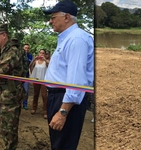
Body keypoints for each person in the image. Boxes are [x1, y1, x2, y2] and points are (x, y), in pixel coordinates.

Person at [43, 1, 94, 149]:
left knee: (63, 145)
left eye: (53, 17)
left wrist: (63, 112)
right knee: (57, 142)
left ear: (66, 17)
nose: (50, 21)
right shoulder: (67, 38)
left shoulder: (76, 39)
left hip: (66, 100)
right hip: (58, 97)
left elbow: (76, 81)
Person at [29, 49, 49, 118]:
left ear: (45, 54)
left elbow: (50, 66)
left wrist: (45, 60)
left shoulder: (46, 62)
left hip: (44, 80)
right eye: (40, 53)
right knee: (35, 94)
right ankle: (34, 108)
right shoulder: (36, 61)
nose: (41, 54)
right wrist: (34, 59)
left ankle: (45, 111)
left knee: (44, 96)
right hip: (36, 80)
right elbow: (30, 66)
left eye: (43, 53)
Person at [22, 44, 33, 110]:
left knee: (26, 91)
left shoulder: (30, 56)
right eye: (25, 48)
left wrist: (33, 75)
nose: (26, 49)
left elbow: (31, 66)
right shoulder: (19, 55)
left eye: (28, 48)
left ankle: (25, 104)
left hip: (26, 76)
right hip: (19, 76)